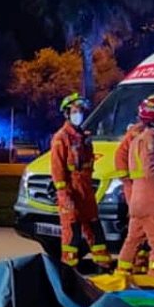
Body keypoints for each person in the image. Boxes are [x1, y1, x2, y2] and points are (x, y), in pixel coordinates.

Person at [114, 93, 154, 282]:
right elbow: (152, 171)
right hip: (153, 198)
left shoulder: (138, 138)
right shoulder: (151, 140)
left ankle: (121, 277)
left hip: (138, 199)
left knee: (133, 240)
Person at [48, 93, 111, 271]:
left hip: (85, 189)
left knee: (94, 226)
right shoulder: (61, 138)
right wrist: (64, 193)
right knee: (72, 230)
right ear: (67, 113)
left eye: (81, 111)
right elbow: (57, 168)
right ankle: (69, 269)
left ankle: (103, 264)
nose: (79, 115)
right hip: (70, 190)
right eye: (75, 111)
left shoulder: (83, 138)